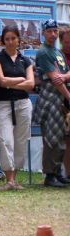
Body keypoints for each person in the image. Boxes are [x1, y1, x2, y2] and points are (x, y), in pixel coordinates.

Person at [0, 25, 35, 190]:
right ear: (3, 41)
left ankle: (13, 179)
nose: (10, 42)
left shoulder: (26, 60)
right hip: (3, 104)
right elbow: (1, 81)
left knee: (21, 141)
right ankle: (8, 179)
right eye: (7, 39)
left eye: (13, 38)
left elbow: (31, 84)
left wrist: (11, 83)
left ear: (18, 40)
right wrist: (21, 80)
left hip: (23, 104)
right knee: (5, 140)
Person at [34, 19, 70, 187]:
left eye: (55, 31)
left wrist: (64, 76)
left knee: (60, 137)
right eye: (49, 31)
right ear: (43, 33)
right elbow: (55, 80)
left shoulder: (58, 52)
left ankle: (57, 172)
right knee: (51, 139)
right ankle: (49, 176)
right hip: (49, 100)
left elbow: (65, 74)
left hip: (59, 100)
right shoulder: (43, 52)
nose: (53, 34)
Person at [59, 27, 70, 180]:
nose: (68, 44)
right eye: (66, 42)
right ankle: (68, 173)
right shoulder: (57, 55)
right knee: (67, 140)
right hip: (63, 100)